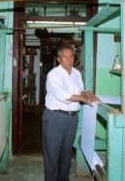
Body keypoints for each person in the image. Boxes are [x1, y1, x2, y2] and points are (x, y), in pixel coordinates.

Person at [42, 46, 98, 181]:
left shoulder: (77, 74)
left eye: (71, 57)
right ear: (59, 59)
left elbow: (78, 91)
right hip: (55, 117)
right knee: (52, 154)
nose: (69, 59)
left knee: (66, 153)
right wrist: (83, 98)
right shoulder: (53, 74)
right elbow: (63, 94)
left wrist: (85, 93)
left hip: (72, 118)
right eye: (65, 57)